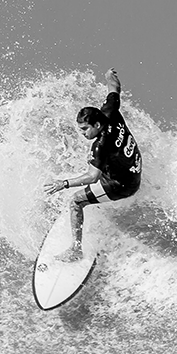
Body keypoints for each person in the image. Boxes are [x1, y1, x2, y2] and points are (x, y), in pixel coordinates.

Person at [44, 68, 142, 262]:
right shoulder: (110, 112)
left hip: (121, 185)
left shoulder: (101, 146)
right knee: (98, 171)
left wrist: (63, 183)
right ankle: (94, 204)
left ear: (97, 125)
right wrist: (109, 77)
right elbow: (114, 90)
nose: (82, 133)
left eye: (85, 129)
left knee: (75, 201)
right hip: (133, 167)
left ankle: (75, 250)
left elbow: (92, 177)